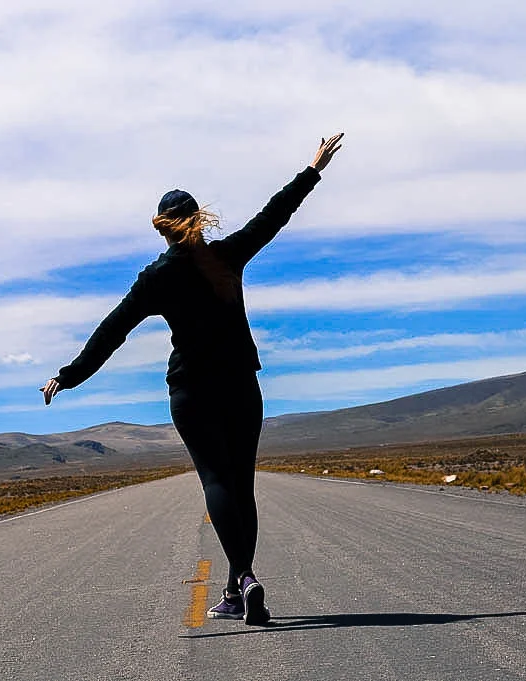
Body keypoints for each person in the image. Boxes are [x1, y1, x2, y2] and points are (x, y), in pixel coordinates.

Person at [40, 133, 344, 625]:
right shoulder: (227, 257)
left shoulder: (156, 277)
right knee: (241, 485)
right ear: (199, 218)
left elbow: (111, 332)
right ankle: (235, 586)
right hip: (242, 385)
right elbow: (274, 216)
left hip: (193, 391)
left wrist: (67, 376)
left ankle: (243, 579)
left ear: (162, 230)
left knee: (217, 480)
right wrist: (313, 169)